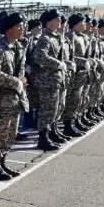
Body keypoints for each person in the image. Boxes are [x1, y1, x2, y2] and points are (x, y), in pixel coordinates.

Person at [0, 12, 29, 179]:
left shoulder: (19, 47)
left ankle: (2, 162)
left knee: (10, 134)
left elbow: (20, 70)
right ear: (10, 29)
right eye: (19, 26)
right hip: (3, 99)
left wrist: (21, 80)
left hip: (15, 98)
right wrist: (16, 81)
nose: (22, 29)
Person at [32, 9, 67, 151]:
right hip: (47, 81)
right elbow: (39, 56)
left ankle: (50, 133)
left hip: (55, 79)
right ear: (50, 22)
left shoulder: (55, 37)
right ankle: (43, 138)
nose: (59, 22)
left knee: (54, 109)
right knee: (47, 110)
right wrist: (57, 64)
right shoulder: (45, 38)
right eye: (57, 20)